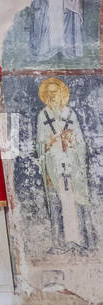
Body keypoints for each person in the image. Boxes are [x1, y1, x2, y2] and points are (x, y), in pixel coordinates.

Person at [36, 78, 94, 252]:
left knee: (74, 203)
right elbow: (39, 144)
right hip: (53, 167)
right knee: (56, 204)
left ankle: (77, 241)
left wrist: (71, 141)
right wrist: (50, 142)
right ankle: (58, 243)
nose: (52, 96)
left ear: (61, 94)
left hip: (71, 166)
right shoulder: (43, 115)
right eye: (49, 93)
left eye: (55, 92)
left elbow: (81, 142)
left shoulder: (70, 114)